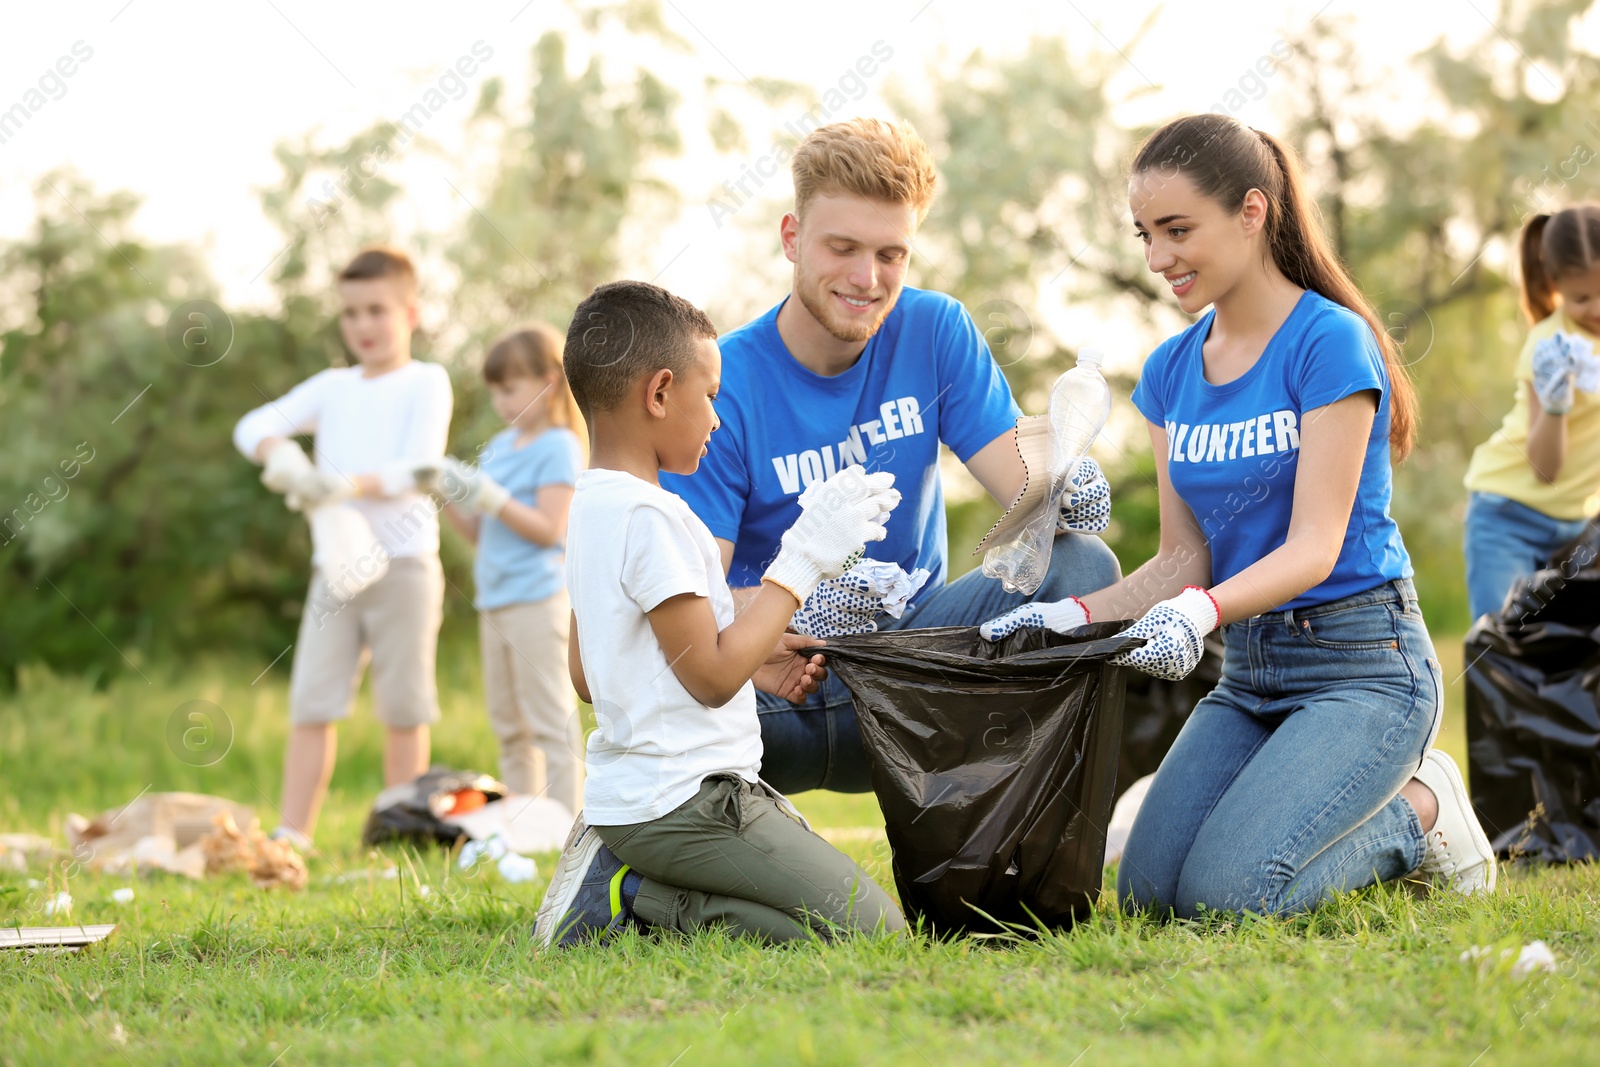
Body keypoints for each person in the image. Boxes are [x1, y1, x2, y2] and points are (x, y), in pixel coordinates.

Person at [981, 115, 1497, 917]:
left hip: (1362, 662)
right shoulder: (1169, 371)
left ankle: (1424, 812)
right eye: (1146, 234)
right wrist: (1068, 614)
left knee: (1229, 897)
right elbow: (1183, 559)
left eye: (1178, 230)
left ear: (1252, 212)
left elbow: (1317, 546)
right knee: (1151, 896)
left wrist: (1201, 611)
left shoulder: (1328, 344)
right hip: (1250, 669)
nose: (1158, 258)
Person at [661, 117, 1121, 795]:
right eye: (842, 247)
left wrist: (1061, 478)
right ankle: (642, 854)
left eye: (891, 254)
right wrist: (786, 603)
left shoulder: (934, 330)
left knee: (1084, 563)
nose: (866, 278)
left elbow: (1024, 492)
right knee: (672, 690)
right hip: (785, 688)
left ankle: (1010, 805)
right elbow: (691, 605)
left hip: (916, 669)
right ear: (792, 238)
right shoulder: (725, 383)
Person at [532, 280, 907, 946]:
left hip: (631, 801)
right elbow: (707, 677)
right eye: (709, 398)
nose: (716, 419)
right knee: (872, 931)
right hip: (689, 803)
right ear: (658, 393)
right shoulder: (656, 518)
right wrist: (801, 561)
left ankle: (631, 874)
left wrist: (753, 664)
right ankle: (635, 898)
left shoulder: (591, 506)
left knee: (830, 918)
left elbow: (593, 675)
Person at [233, 246, 452, 848]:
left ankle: (399, 832)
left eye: (376, 310)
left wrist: (347, 483)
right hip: (334, 567)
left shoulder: (426, 381)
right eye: (351, 313)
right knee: (313, 700)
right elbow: (251, 425)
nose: (362, 326)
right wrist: (280, 456)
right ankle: (291, 834)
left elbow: (420, 465)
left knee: (403, 705)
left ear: (410, 312)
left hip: (405, 565)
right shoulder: (333, 386)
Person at [424, 325, 586, 813]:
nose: (501, 401)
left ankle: (567, 824)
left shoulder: (559, 445)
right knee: (508, 723)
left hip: (536, 600)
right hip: (494, 600)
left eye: (510, 388)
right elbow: (479, 533)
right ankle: (525, 820)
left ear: (548, 381)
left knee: (548, 717)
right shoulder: (498, 447)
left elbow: (549, 529)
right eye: (495, 390)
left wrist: (491, 498)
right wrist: (449, 493)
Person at [1462, 204, 1600, 623]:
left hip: (1577, 525)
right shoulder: (1549, 346)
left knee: (1575, 653)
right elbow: (1545, 468)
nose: (1598, 307)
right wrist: (1557, 403)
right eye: (1582, 298)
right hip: (1508, 517)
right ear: (1555, 284)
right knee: (1505, 644)